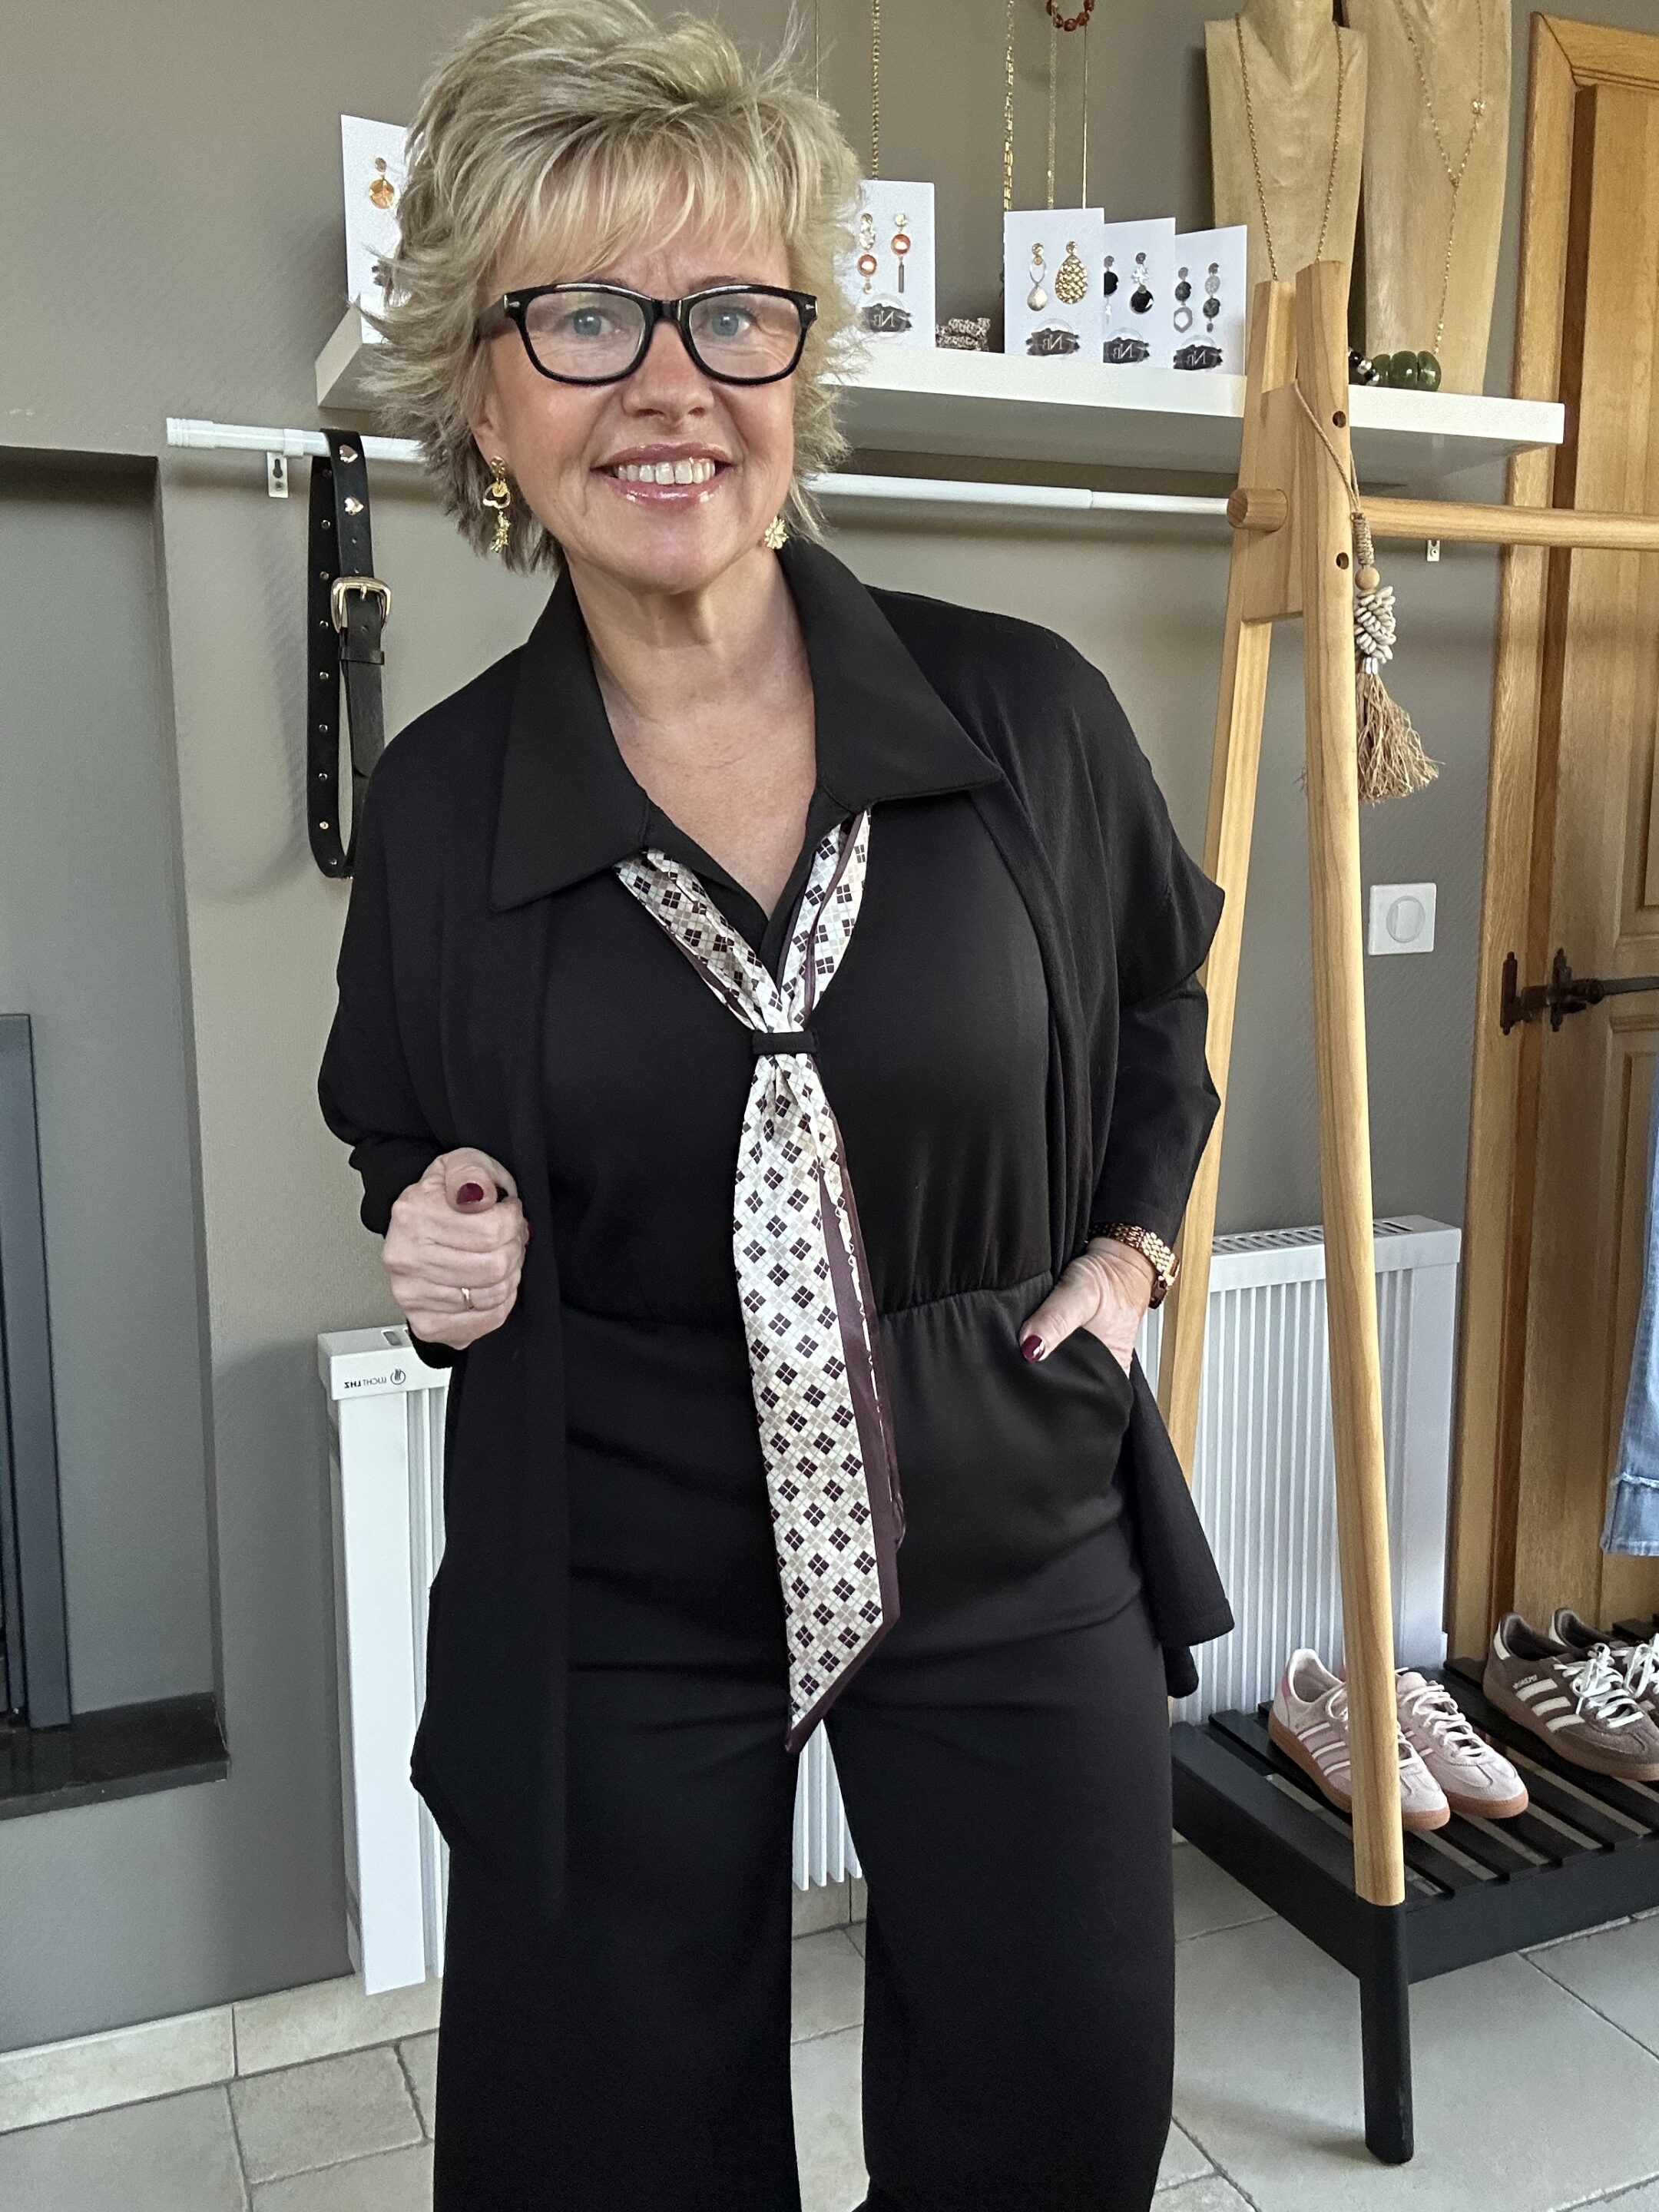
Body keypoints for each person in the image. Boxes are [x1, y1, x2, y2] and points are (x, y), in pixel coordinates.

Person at [316, 5, 1233, 2207]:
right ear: (481, 392)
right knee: (605, 2149)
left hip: (1006, 1513)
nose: (671, 383)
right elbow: (402, 1133)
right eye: (585, 315)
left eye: (732, 310)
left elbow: (1154, 1015)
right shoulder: (441, 806)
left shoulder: (1027, 722)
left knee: (1052, 2121)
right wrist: (432, 1228)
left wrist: (1129, 1255)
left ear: (801, 362)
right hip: (614, 1544)